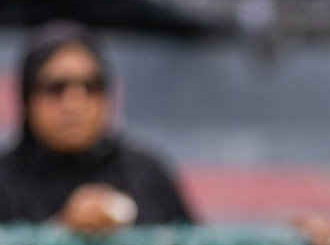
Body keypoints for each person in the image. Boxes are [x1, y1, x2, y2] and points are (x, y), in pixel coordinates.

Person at [0, 21, 193, 230]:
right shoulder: (5, 182)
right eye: (56, 88)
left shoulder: (145, 175)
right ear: (28, 98)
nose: (74, 103)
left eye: (92, 86)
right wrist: (60, 232)